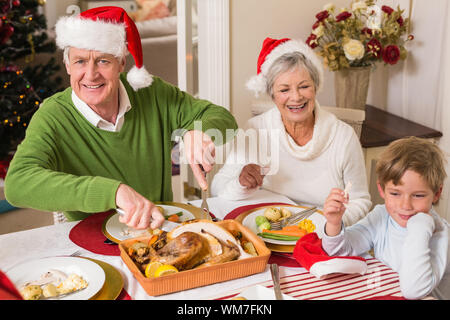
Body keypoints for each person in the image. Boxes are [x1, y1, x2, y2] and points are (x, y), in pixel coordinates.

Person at [4, 6, 237, 230]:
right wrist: (113, 192)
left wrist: (197, 131)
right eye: (80, 61)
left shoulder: (152, 92)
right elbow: (17, 185)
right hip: (92, 245)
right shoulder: (54, 116)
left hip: (160, 233)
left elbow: (225, 120)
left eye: (103, 61)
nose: (91, 74)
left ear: (122, 64)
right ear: (67, 65)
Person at [211, 37, 371, 226]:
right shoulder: (256, 129)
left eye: (304, 86)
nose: (296, 97)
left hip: (321, 234)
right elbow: (217, 188)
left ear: (316, 87)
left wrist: (330, 225)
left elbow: (360, 201)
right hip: (268, 231)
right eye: (284, 89)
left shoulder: (342, 137)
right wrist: (240, 183)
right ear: (272, 95)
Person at [322, 137, 449, 300]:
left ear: (436, 194)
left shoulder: (440, 235)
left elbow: (414, 291)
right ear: (381, 190)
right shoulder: (382, 216)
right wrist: (334, 223)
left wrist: (420, 227)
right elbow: (340, 251)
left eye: (418, 195)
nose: (405, 205)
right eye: (395, 193)